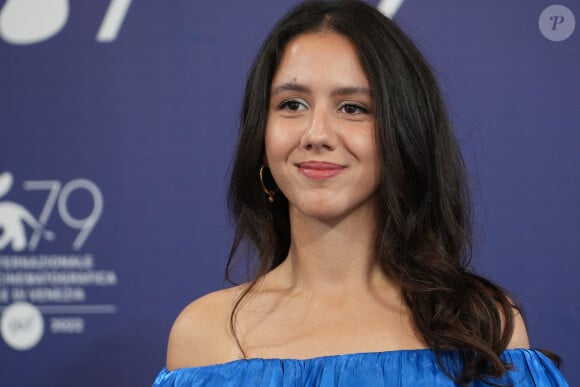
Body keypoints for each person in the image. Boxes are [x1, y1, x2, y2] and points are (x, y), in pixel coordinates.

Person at [154, 1, 568, 385]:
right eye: (292, 104)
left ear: (402, 134)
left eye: (352, 107)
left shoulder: (482, 324)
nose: (316, 134)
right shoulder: (205, 335)